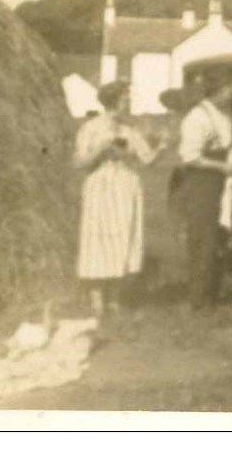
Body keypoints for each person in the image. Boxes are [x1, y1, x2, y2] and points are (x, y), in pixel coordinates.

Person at [74, 80, 165, 319]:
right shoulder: (92, 128)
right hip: (101, 186)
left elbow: (147, 160)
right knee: (98, 239)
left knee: (121, 237)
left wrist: (162, 146)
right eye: (125, 97)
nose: (128, 101)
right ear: (113, 99)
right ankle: (97, 299)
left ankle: (114, 298)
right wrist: (102, 149)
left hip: (125, 187)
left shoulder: (128, 131)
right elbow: (79, 163)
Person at [176, 70, 232, 310]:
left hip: (222, 178)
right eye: (227, 90)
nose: (230, 94)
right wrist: (222, 167)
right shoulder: (197, 118)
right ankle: (198, 299)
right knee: (203, 238)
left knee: (219, 236)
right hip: (202, 181)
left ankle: (212, 294)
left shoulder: (223, 114)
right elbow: (190, 158)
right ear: (216, 92)